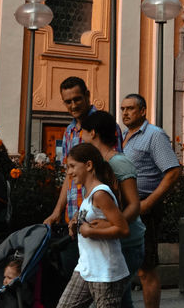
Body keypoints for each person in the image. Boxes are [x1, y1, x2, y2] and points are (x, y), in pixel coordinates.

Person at [80, 110, 145, 308]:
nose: (80, 136)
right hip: (113, 243)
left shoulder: (119, 162)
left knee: (113, 300)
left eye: (83, 132)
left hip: (128, 244)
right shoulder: (99, 162)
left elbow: (134, 204)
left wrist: (111, 224)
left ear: (93, 133)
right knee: (120, 301)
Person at [120, 93, 179, 308]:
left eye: (130, 108)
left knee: (146, 269)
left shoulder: (154, 135)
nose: (125, 113)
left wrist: (149, 203)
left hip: (144, 208)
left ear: (143, 111)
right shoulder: (123, 137)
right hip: (123, 207)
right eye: (123, 109)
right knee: (122, 265)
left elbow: (173, 172)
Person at [56, 143, 131, 308]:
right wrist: (76, 223)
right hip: (86, 268)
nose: (69, 172)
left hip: (105, 272)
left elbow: (123, 228)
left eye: (72, 166)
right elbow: (93, 218)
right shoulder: (87, 193)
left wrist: (90, 232)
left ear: (89, 165)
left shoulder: (100, 194)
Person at [45, 76, 101, 230]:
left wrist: (84, 213)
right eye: (68, 102)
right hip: (72, 218)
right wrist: (57, 212)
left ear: (88, 95)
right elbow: (69, 175)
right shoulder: (69, 131)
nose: (73, 105)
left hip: (94, 218)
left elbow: (110, 173)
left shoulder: (102, 125)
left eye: (77, 99)